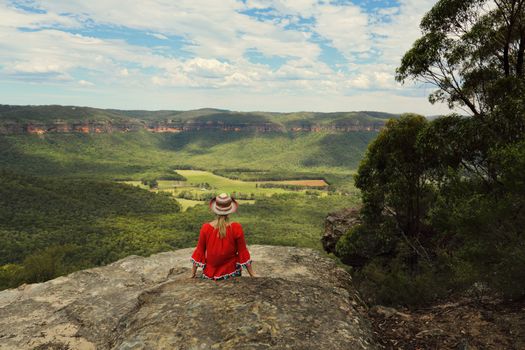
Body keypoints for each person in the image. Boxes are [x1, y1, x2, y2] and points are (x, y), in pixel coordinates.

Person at [190, 193, 256, 280]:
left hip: (209, 274)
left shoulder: (205, 228)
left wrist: (193, 274)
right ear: (230, 212)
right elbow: (242, 252)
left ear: (215, 210)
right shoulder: (236, 227)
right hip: (231, 273)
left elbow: (200, 251)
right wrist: (252, 274)